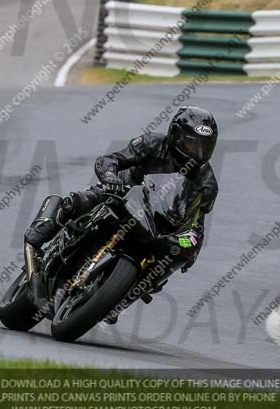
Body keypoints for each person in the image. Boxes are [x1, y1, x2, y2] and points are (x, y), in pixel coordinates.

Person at [24, 106, 219, 303]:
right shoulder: (152, 143)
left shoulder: (207, 183)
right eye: (192, 144)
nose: (198, 152)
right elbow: (112, 160)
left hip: (160, 221)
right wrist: (110, 177)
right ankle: (42, 233)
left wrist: (191, 248)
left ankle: (119, 296)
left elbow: (197, 223)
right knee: (78, 202)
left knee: (166, 263)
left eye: (204, 147)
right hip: (123, 194)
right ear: (175, 135)